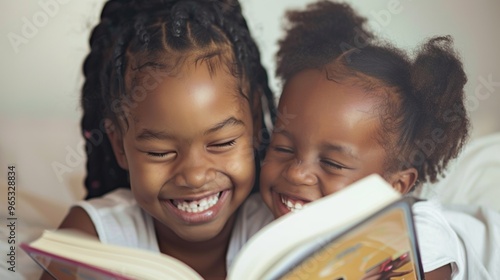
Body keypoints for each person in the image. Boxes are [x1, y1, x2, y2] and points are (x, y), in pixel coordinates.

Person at [259, 1, 496, 279]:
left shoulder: (417, 239)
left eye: (332, 163)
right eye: (283, 148)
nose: (296, 172)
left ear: (395, 185)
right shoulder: (258, 219)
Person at [44, 0, 276, 279]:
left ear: (254, 126)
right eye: (160, 152)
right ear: (119, 146)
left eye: (222, 143)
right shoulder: (93, 235)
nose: (195, 176)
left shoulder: (275, 230)